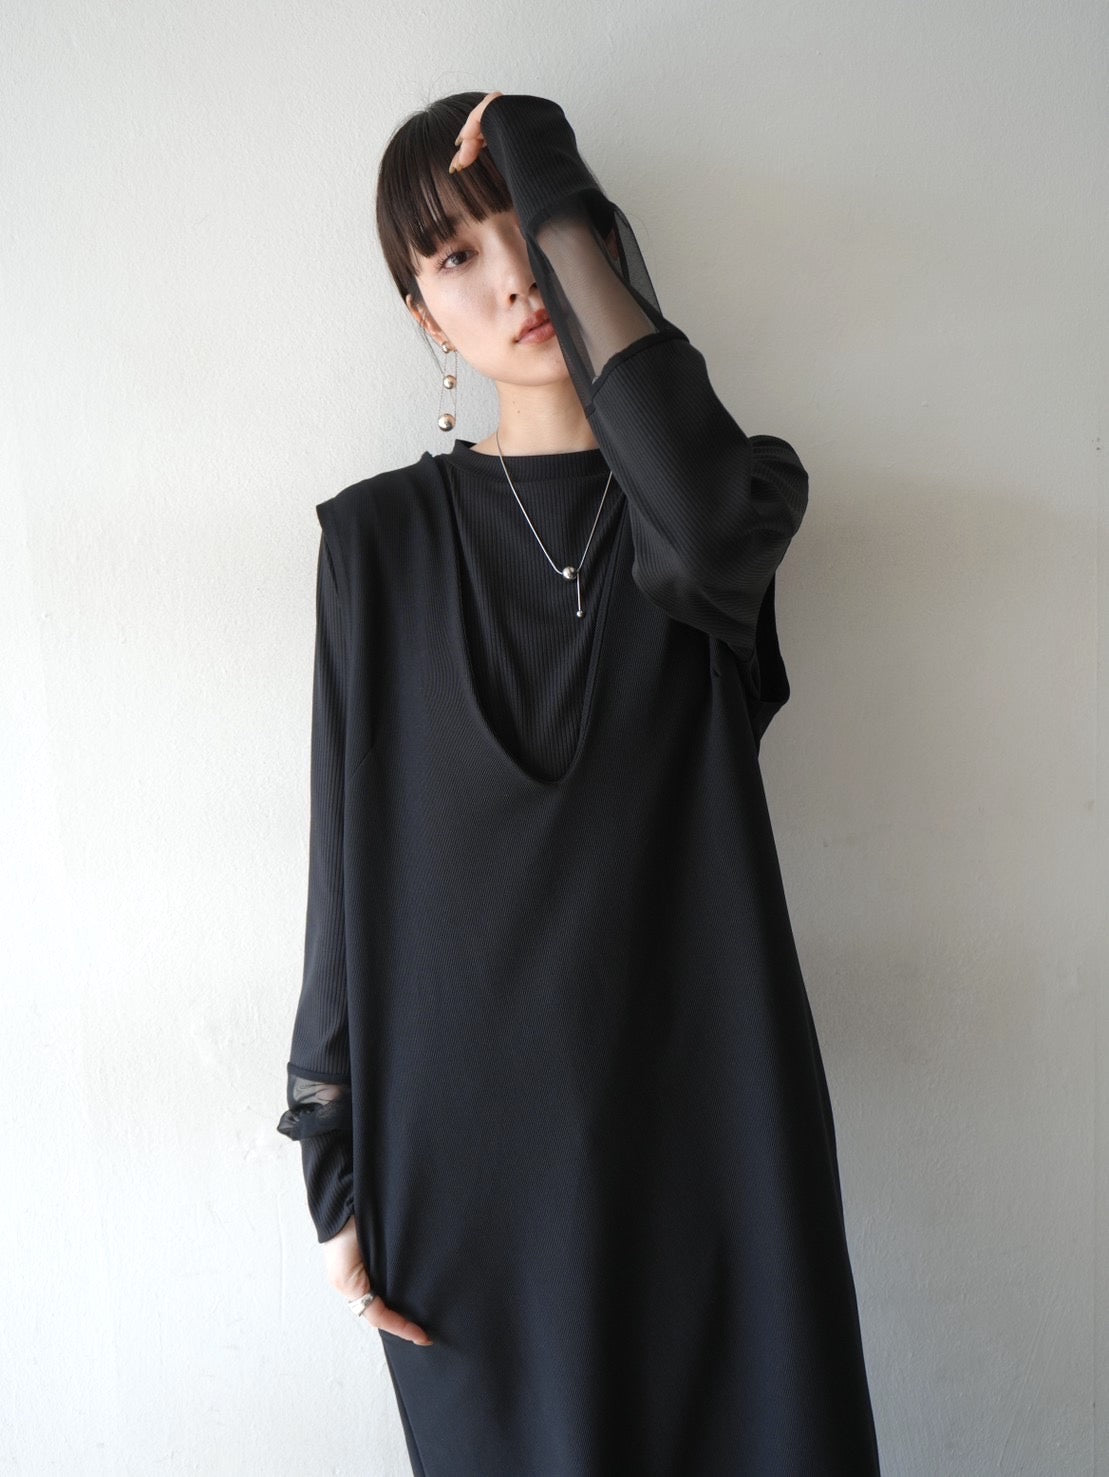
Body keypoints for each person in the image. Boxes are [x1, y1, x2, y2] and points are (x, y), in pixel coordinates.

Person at [276, 88, 882, 1475]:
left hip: (712, 1129)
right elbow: (342, 858)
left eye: (531, 233)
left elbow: (699, 522)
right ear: (424, 318)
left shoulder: (727, 501)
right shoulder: (375, 545)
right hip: (465, 1164)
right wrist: (330, 1152)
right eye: (456, 257)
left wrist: (545, 164)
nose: (511, 279)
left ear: (592, 243)